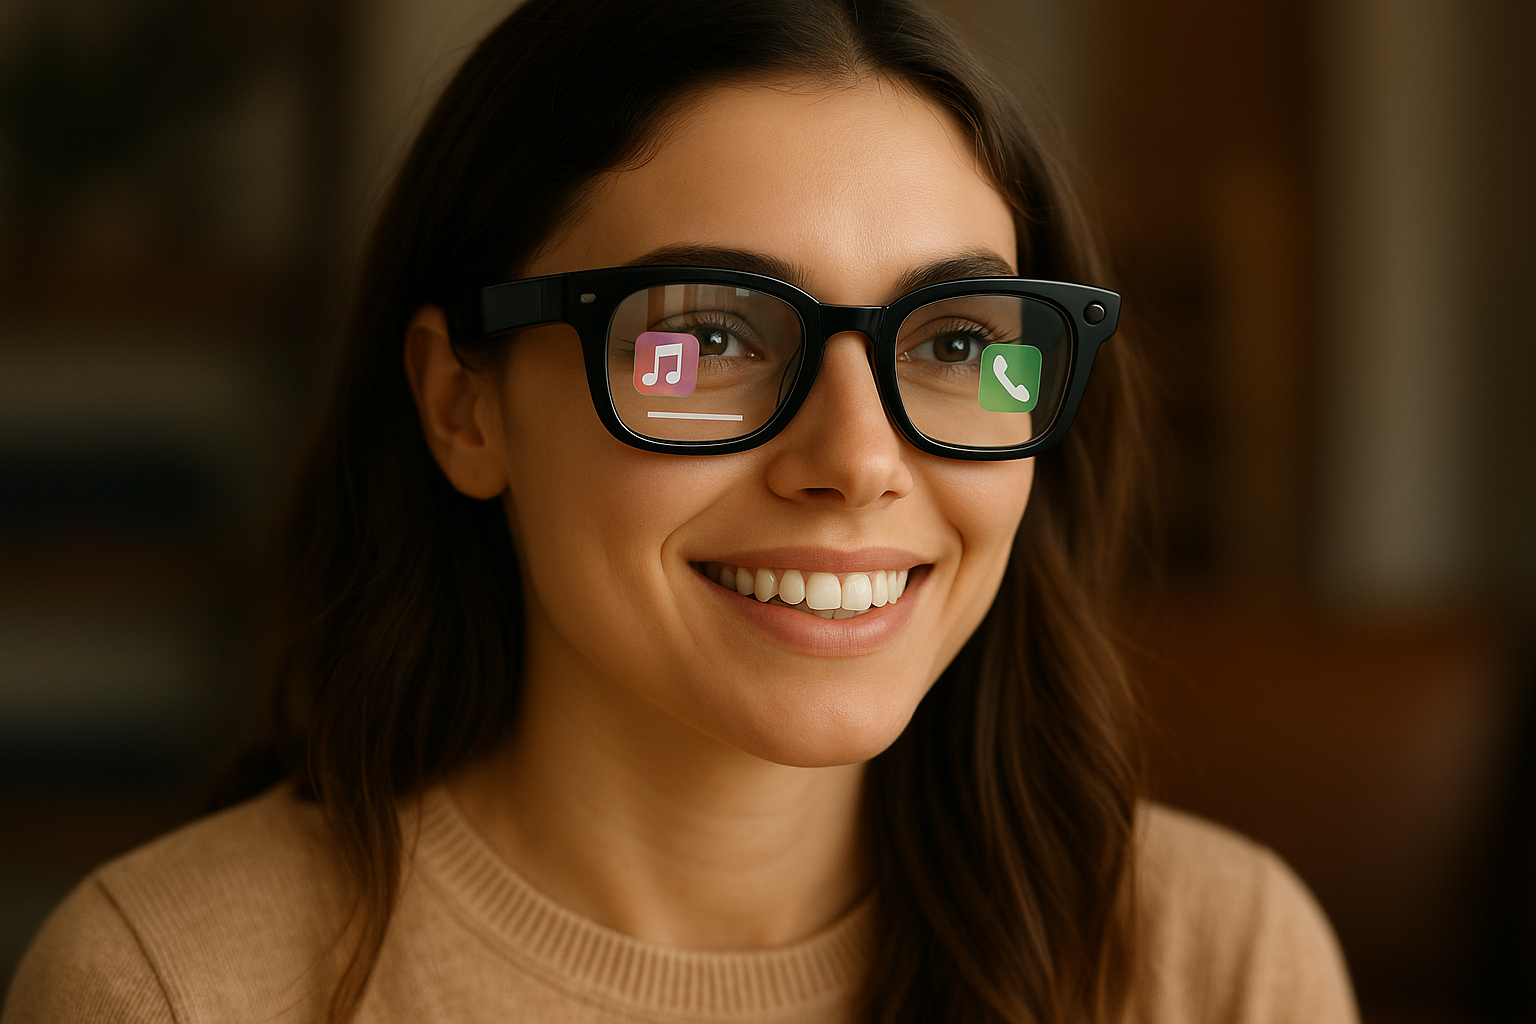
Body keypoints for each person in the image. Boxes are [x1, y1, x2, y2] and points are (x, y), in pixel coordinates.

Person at [3, 1, 1359, 1021]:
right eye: (707, 337)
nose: (860, 459)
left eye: (953, 339)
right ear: (463, 407)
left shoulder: (1217, 962)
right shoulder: (174, 986)